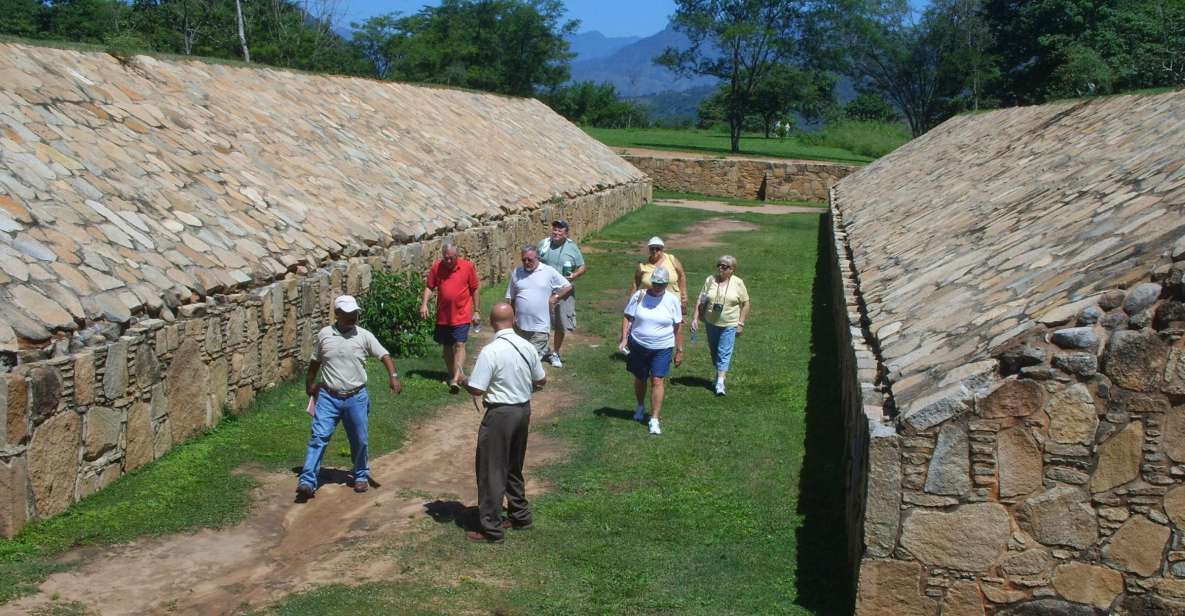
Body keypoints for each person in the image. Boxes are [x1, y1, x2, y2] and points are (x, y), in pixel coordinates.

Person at [297, 295, 402, 499]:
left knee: (360, 440)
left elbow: (384, 355)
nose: (353, 317)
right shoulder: (325, 335)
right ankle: (307, 481)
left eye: (354, 313)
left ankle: (361, 474)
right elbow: (315, 361)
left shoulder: (364, 336)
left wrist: (394, 377)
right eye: (347, 314)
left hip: (356, 397)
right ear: (337, 314)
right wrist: (309, 383)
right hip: (329, 396)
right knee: (318, 437)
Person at [461, 302, 547, 543]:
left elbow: (477, 388)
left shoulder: (491, 351)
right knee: (513, 466)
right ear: (515, 319)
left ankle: (492, 527)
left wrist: (464, 379)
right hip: (523, 411)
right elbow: (542, 380)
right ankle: (520, 515)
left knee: (491, 470)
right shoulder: (527, 346)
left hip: (500, 415)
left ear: (491, 321)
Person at [618, 266, 683, 435]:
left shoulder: (672, 300)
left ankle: (654, 418)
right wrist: (624, 338)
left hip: (662, 347)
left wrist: (680, 349)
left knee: (657, 380)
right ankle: (640, 406)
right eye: (655, 283)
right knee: (640, 378)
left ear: (666, 284)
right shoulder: (639, 296)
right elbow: (627, 316)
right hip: (638, 345)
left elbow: (677, 326)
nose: (658, 287)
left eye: (661, 284)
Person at [420, 242, 480, 393]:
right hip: (444, 315)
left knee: (459, 344)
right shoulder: (437, 267)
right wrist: (424, 304)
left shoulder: (467, 267)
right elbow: (429, 286)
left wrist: (477, 310)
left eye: (451, 258)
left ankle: (456, 379)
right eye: (445, 258)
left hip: (462, 314)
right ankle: (452, 374)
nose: (448, 261)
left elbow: (474, 289)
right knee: (447, 347)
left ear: (457, 256)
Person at [690, 255, 751, 396]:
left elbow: (746, 303)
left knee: (724, 351)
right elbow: (701, 299)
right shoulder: (710, 280)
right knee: (715, 351)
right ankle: (718, 376)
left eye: (725, 266)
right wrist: (695, 318)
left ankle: (720, 383)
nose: (721, 268)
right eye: (719, 265)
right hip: (711, 322)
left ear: (732, 269)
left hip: (729, 323)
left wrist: (741, 322)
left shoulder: (738, 283)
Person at [505, 245, 572, 360]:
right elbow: (511, 297)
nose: (526, 262)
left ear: (538, 258)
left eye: (529, 259)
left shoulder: (548, 271)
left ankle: (536, 371)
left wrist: (555, 297)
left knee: (530, 359)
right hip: (520, 326)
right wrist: (511, 317)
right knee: (520, 357)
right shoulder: (517, 272)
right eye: (523, 259)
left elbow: (567, 286)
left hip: (540, 327)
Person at [536, 220, 587, 368]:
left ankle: (555, 352)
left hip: (564, 292)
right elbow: (534, 261)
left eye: (560, 230)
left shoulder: (572, 248)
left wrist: (574, 275)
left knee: (560, 323)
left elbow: (583, 267)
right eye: (555, 229)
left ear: (566, 233)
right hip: (543, 290)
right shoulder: (544, 245)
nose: (556, 232)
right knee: (541, 321)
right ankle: (540, 350)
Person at [631, 236, 688, 313]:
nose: (655, 251)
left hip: (672, 303)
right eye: (652, 248)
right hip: (650, 304)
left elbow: (681, 276)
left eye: (658, 248)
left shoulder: (671, 259)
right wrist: (632, 301)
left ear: (662, 249)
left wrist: (683, 296)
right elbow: (635, 283)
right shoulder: (643, 266)